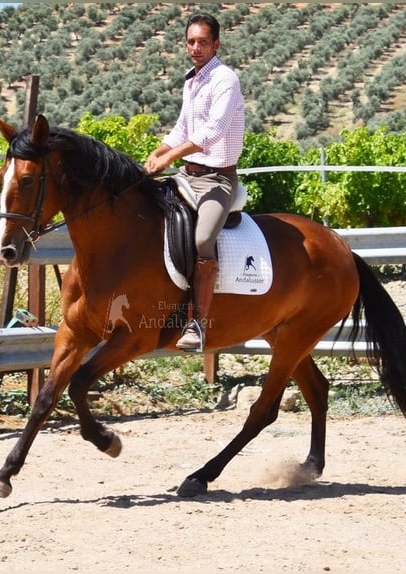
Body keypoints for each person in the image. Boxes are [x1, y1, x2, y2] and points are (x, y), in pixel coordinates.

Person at [144, 13, 245, 352]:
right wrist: (159, 151)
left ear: (216, 44)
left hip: (218, 179)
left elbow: (212, 133)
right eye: (191, 42)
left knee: (203, 239)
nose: (196, 47)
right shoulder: (192, 81)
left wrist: (169, 159)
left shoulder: (225, 80)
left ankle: (198, 324)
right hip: (188, 174)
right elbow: (182, 130)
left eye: (203, 41)